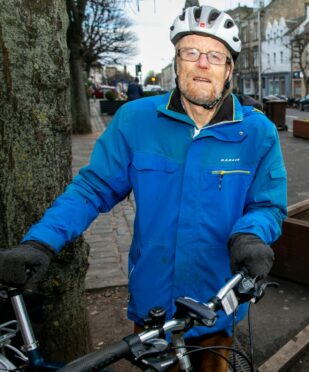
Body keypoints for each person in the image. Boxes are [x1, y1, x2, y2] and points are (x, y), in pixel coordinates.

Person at [0, 5, 287, 371]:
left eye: (215, 55)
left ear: (229, 69)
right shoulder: (135, 120)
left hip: (215, 300)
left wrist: (250, 235)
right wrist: (41, 241)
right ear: (177, 60)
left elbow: (268, 205)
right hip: (154, 300)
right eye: (191, 52)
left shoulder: (257, 132)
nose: (202, 63)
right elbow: (92, 189)